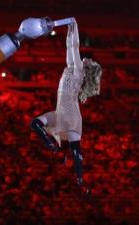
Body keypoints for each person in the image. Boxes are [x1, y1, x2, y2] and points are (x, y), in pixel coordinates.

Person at [31, 21, 102, 188]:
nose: (87, 58)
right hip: (60, 111)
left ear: (87, 69)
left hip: (70, 114)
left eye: (89, 60)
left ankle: (79, 178)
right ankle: (52, 146)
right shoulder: (72, 67)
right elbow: (70, 47)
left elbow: (75, 46)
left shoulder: (79, 71)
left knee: (75, 149)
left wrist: (75, 25)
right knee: (35, 123)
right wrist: (70, 28)